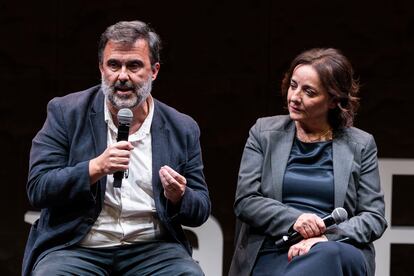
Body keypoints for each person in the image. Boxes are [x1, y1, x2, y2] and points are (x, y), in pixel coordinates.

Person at [23, 20, 211, 276]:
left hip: (152, 249)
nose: (122, 76)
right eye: (114, 65)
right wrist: (94, 168)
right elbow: (38, 188)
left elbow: (200, 208)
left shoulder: (182, 127)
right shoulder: (66, 113)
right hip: (78, 246)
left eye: (134, 65)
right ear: (101, 68)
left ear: (154, 71)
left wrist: (179, 196)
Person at [229, 48, 387, 276]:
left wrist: (324, 238)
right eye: (293, 86)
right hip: (276, 246)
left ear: (333, 100)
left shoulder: (361, 144)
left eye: (309, 92)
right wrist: (297, 220)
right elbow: (246, 200)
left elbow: (373, 217)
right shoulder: (263, 132)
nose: (294, 97)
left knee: (330, 256)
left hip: (338, 245)